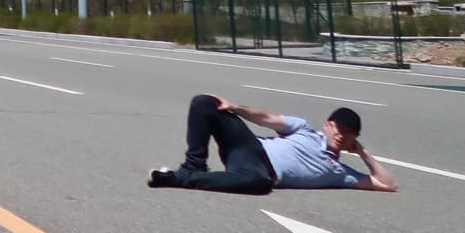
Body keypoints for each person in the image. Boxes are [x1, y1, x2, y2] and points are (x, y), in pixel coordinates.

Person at [147, 93, 396, 193]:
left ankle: (178, 179)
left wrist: (363, 153)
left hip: (261, 173)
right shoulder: (303, 129)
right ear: (328, 125)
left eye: (349, 133)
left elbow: (387, 184)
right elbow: (267, 119)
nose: (341, 135)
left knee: (259, 183)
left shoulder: (340, 173)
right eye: (338, 128)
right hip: (248, 146)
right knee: (204, 102)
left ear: (354, 138)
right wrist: (235, 108)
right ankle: (194, 166)